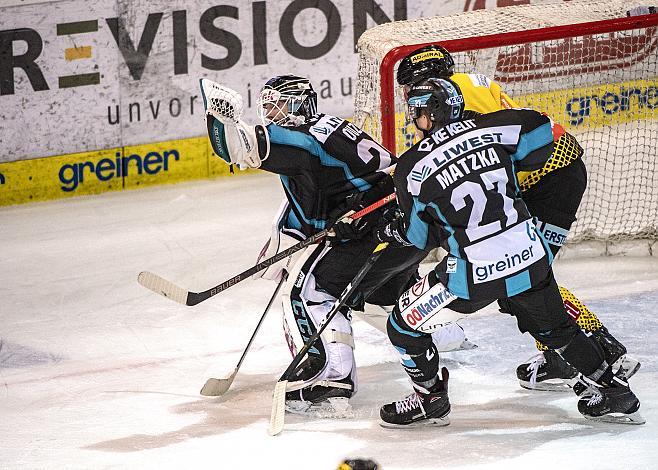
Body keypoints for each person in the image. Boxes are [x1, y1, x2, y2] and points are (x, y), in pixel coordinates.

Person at [368, 77, 644, 427]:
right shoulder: (495, 128)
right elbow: (544, 134)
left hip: (471, 276)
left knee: (402, 326)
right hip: (530, 256)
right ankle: (615, 391)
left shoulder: (410, 167)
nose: (413, 120)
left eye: (416, 113)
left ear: (428, 114)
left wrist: (395, 227)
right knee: (555, 329)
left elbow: (419, 238)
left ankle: (430, 398)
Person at [199, 75, 429, 415]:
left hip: (376, 230)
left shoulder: (300, 139)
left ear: (299, 103)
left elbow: (233, 147)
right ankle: (439, 336)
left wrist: (218, 116)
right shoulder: (331, 128)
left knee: (311, 293)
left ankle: (333, 382)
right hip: (408, 230)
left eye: (277, 104)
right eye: (266, 106)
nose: (270, 112)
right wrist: (285, 238)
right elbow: (329, 189)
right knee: (379, 295)